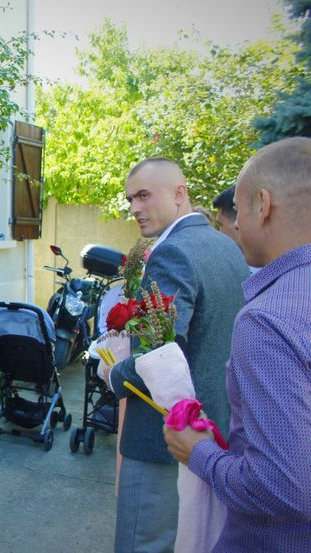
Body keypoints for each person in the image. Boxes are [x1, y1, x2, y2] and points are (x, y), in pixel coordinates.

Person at [164, 137, 311, 550]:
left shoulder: (270, 320)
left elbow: (285, 488)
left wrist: (199, 453)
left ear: (262, 205)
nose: (235, 225)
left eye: (240, 209)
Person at [100, 158, 249, 552]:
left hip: (163, 434)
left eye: (144, 195)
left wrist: (112, 374)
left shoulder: (172, 254)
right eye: (131, 198)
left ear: (179, 194)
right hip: (215, 428)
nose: (134, 208)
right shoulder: (227, 246)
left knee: (144, 544)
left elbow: (158, 353)